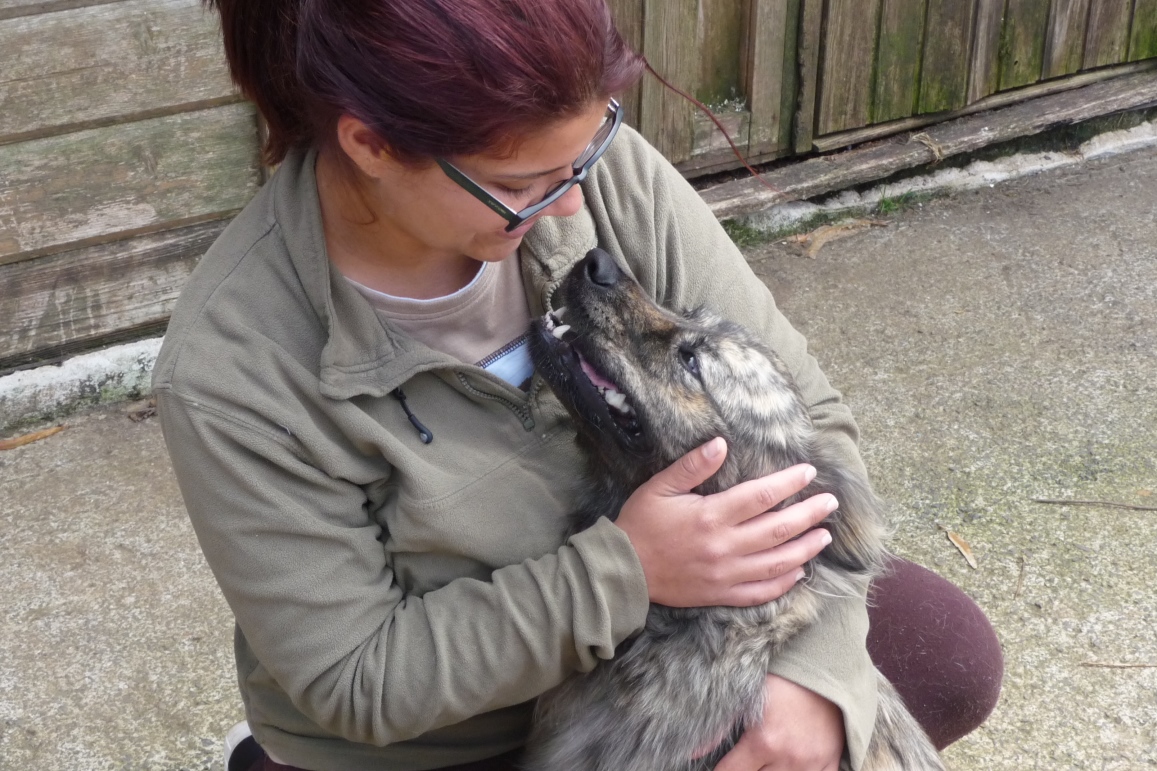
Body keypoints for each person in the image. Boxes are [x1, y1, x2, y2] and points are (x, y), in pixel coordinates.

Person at [155, 1, 1002, 770]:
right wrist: (627, 571)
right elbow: (356, 676)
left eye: (585, 152)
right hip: (447, 733)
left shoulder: (586, 170)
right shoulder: (232, 369)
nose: (570, 207)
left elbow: (807, 429)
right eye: (518, 185)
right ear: (370, 145)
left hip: (668, 642)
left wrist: (810, 683)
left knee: (945, 654)